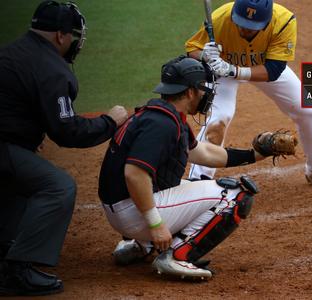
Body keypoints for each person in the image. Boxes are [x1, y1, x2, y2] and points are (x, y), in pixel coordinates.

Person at [99, 56, 272, 281]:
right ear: (190, 92)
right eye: (203, 88)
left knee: (192, 185)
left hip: (124, 207)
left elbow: (205, 153)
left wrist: (256, 155)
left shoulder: (161, 116)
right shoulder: (162, 125)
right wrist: (156, 224)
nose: (206, 94)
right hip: (133, 211)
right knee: (235, 196)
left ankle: (140, 246)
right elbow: (134, 173)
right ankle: (176, 255)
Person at [0, 1, 128, 296]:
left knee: (19, 180)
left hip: (7, 143)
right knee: (58, 187)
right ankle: (18, 270)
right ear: (60, 35)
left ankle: (6, 246)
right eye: (73, 35)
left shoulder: (13, 52)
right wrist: (110, 122)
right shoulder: (52, 69)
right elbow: (67, 132)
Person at [185, 0, 312, 186]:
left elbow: (274, 70)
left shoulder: (284, 21)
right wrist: (204, 55)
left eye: (252, 28)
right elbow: (192, 49)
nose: (245, 30)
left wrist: (235, 70)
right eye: (241, 24)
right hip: (222, 71)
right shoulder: (220, 18)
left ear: (266, 22)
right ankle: (199, 181)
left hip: (261, 67)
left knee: (308, 111)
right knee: (219, 118)